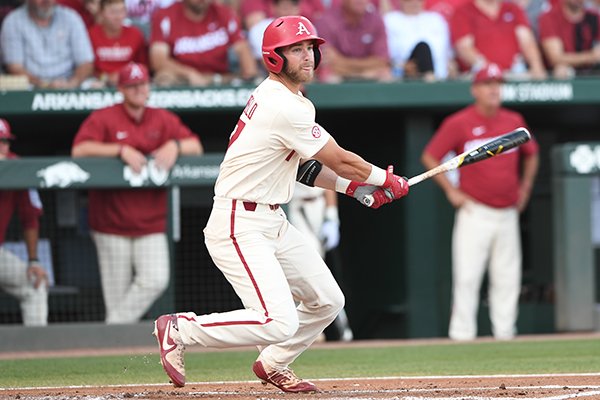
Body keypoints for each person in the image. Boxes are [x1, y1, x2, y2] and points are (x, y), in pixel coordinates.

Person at [152, 15, 409, 392]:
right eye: (296, 49)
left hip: (272, 219)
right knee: (277, 320)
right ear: (275, 57)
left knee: (327, 300)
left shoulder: (292, 100)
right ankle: (181, 328)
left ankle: (273, 361)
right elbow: (338, 158)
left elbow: (306, 168)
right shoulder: (283, 105)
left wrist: (353, 190)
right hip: (239, 222)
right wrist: (384, 179)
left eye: (310, 48)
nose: (307, 57)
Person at [71, 62, 203, 324]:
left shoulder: (161, 118)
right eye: (132, 85)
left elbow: (195, 146)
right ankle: (115, 343)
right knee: (116, 295)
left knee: (155, 279)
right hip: (111, 223)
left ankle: (111, 329)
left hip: (151, 222)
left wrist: (174, 145)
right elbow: (80, 150)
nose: (138, 89)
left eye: (142, 84)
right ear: (121, 89)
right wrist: (119, 150)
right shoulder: (105, 116)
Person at [421, 63, 539, 341]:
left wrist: (526, 187)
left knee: (507, 279)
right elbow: (430, 156)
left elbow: (531, 152)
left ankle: (505, 335)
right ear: (475, 89)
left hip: (508, 211)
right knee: (467, 277)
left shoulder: (512, 119)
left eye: (497, 83)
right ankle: (462, 337)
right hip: (475, 211)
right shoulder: (459, 122)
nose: (494, 89)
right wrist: (451, 191)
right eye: (488, 84)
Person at [287, 185, 354, 341]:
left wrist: (331, 215)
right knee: (304, 267)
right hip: (296, 207)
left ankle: (311, 328)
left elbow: (327, 179)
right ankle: (303, 328)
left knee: (317, 266)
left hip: (319, 207)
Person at [0, 118, 48, 327]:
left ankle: (38, 352)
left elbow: (30, 217)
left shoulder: (16, 165)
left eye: (5, 141)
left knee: (34, 284)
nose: (2, 147)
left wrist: (34, 260)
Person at [148, 0, 258, 87]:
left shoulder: (224, 13)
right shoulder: (165, 16)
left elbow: (243, 49)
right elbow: (158, 61)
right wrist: (189, 74)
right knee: (164, 78)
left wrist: (250, 77)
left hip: (219, 78)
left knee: (255, 79)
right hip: (183, 79)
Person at [0, 0, 95, 89]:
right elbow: (15, 67)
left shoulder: (71, 17)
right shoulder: (12, 21)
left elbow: (85, 63)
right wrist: (44, 85)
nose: (46, 1)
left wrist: (72, 83)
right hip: (30, 86)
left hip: (70, 84)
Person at [450, 0, 547, 80]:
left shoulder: (513, 9)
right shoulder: (463, 12)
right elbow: (465, 48)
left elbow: (527, 42)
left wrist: (536, 67)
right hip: (479, 76)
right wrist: (491, 70)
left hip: (513, 73)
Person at [314, 0, 393, 83]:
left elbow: (382, 61)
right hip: (342, 77)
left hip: (351, 73)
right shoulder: (327, 21)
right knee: (329, 77)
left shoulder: (376, 21)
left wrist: (342, 62)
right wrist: (366, 71)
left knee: (386, 76)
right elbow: (328, 63)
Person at [383, 0, 455, 81]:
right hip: (405, 75)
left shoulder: (436, 19)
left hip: (440, 77)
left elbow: (448, 53)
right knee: (422, 48)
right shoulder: (390, 20)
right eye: (409, 1)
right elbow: (385, 54)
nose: (415, 3)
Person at [88, 0, 148, 87]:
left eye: (122, 11)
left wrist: (124, 76)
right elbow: (88, 68)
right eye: (113, 12)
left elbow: (143, 66)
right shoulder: (91, 34)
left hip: (131, 82)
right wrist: (106, 78)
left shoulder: (135, 34)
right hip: (100, 81)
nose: (118, 16)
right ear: (101, 13)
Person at [538, 0, 600, 79]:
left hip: (591, 69)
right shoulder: (550, 17)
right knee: (561, 70)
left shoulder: (594, 16)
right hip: (564, 71)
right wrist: (591, 57)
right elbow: (555, 58)